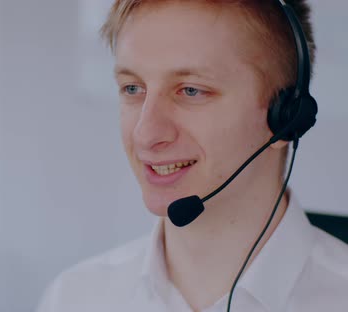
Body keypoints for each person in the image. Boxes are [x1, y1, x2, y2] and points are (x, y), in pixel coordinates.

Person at [36, 1, 348, 311]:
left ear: (287, 117)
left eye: (191, 90)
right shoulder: (73, 297)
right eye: (133, 88)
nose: (146, 134)